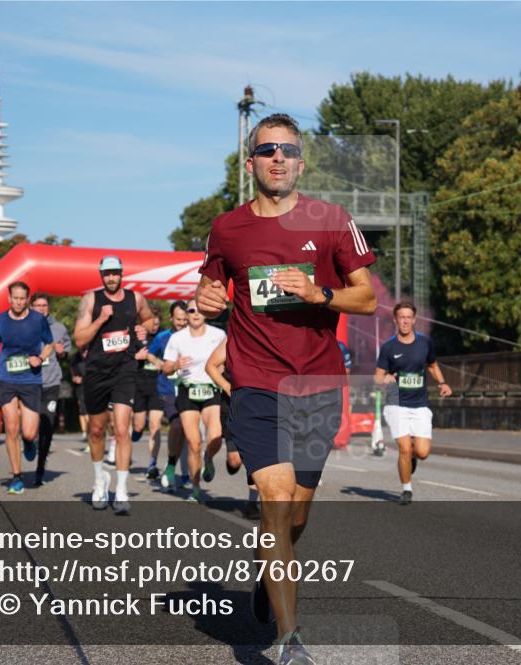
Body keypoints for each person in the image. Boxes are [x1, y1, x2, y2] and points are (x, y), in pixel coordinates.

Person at [196, 113, 376, 663]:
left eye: (288, 150)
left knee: (294, 518)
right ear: (250, 162)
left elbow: (365, 298)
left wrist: (319, 293)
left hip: (317, 387)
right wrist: (206, 299)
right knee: (273, 502)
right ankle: (289, 639)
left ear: (301, 162)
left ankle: (265, 579)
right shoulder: (227, 227)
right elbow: (209, 283)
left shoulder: (332, 220)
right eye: (267, 149)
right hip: (256, 382)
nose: (278, 158)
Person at [74, 256, 156, 515]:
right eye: (106, 274)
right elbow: (79, 339)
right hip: (98, 371)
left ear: (122, 274)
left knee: (122, 429)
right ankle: (100, 481)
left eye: (115, 273)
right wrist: (99, 320)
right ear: (101, 275)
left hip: (125, 370)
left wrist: (145, 331)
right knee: (97, 430)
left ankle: (121, 490)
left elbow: (151, 321)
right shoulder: (91, 300)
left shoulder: (136, 299)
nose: (111, 278)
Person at [0, 281, 54, 495]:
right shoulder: (0, 320)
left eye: (22, 298)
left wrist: (41, 357)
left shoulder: (38, 320)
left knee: (29, 432)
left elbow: (50, 344)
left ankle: (29, 442)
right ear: (9, 298)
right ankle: (17, 476)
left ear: (27, 300)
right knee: (12, 428)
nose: (18, 301)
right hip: (5, 377)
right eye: (14, 298)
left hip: (31, 379)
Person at [374, 302, 452, 505]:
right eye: (401, 317)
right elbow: (377, 377)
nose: (405, 321)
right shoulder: (388, 347)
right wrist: (386, 379)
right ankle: (406, 489)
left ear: (414, 319)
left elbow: (433, 365)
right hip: (396, 405)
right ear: (395, 320)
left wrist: (442, 383)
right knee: (404, 449)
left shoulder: (425, 343)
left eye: (409, 317)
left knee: (422, 452)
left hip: (420, 404)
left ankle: (413, 459)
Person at [161, 299, 226, 505]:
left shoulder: (218, 335)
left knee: (215, 437)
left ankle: (209, 459)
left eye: (199, 310)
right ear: (186, 314)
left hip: (211, 390)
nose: (196, 314)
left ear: (205, 313)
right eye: (191, 310)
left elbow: (226, 360)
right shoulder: (177, 339)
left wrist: (221, 371)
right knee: (194, 443)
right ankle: (196, 489)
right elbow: (166, 368)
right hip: (187, 391)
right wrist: (176, 364)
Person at [205, 338, 260, 519]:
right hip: (231, 405)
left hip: (259, 406)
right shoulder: (233, 337)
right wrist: (227, 386)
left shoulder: (271, 338)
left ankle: (252, 503)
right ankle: (229, 461)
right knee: (235, 461)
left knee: (257, 457)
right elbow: (211, 367)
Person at [146, 300, 190, 492]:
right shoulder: (163, 337)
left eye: (184, 319)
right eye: (178, 319)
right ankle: (162, 465)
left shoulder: (195, 336)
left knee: (189, 433)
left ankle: (185, 473)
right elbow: (149, 354)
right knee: (176, 425)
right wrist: (159, 363)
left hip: (187, 387)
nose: (182, 323)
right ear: (172, 318)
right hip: (167, 389)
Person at [29, 293, 72, 486]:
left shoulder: (59, 328)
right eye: (37, 305)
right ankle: (29, 440)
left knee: (48, 423)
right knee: (29, 427)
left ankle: (40, 467)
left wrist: (62, 354)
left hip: (52, 383)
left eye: (44, 305)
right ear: (31, 307)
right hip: (28, 382)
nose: (41, 308)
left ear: (48, 307)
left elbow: (65, 353)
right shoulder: (23, 326)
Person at [132, 313, 164, 480]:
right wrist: (136, 357)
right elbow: (122, 358)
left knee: (154, 425)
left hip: (157, 387)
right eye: (152, 322)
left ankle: (152, 464)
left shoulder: (163, 338)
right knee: (138, 427)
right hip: (139, 386)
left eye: (158, 323)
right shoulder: (134, 337)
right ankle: (136, 430)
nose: (155, 326)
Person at [70, 348, 89, 442]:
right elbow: (72, 371)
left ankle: (91, 431)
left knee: (90, 411)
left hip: (93, 385)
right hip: (80, 388)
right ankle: (85, 432)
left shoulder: (94, 352)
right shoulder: (75, 357)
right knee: (82, 411)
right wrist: (74, 378)